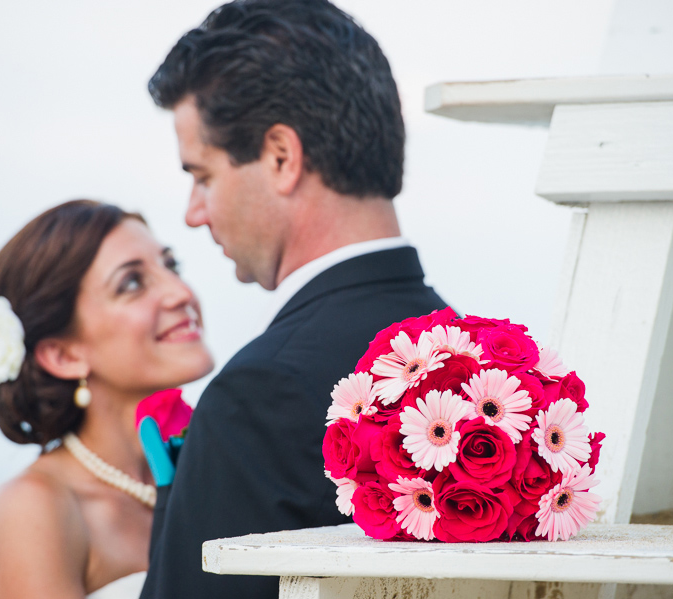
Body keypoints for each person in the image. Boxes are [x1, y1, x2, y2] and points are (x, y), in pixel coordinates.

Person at [141, 1, 449, 597]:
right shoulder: (485, 367)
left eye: (202, 175)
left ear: (281, 157)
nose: (193, 211)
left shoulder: (261, 396)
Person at [0, 200, 214, 599]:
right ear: (64, 354)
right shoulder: (33, 510)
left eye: (171, 266)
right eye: (131, 283)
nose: (180, 293)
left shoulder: (206, 474)